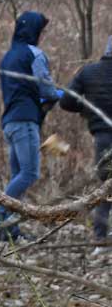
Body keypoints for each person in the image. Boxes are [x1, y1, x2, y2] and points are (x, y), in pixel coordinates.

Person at [0, 11, 61, 241]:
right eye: (41, 31)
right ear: (34, 31)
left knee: (18, 175)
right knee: (29, 173)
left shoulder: (7, 57)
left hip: (9, 122)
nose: (43, 36)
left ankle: (10, 228)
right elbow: (45, 87)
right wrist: (61, 94)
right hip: (25, 121)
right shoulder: (34, 54)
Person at [58, 34, 112, 242]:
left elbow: (66, 102)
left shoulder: (88, 72)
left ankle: (100, 237)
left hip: (103, 138)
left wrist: (89, 108)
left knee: (106, 187)